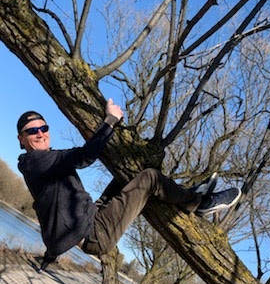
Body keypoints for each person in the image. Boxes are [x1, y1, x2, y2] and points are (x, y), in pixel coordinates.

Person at [17, 99, 241, 270]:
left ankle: (186, 194)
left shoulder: (42, 163)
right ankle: (200, 203)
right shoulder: (35, 161)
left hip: (92, 216)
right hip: (93, 233)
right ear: (21, 138)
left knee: (128, 173)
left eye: (44, 128)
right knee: (150, 178)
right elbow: (85, 156)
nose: (40, 134)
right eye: (32, 131)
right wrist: (110, 121)